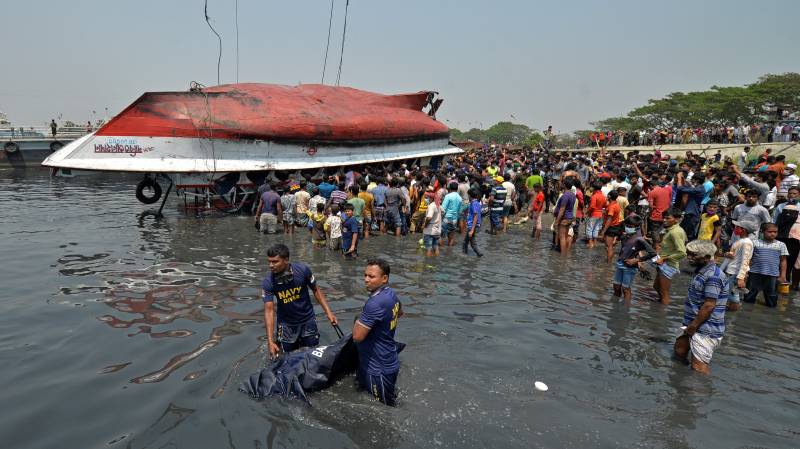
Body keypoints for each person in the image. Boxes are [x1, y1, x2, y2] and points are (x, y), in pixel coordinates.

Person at [261, 244, 338, 357]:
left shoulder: (303, 270)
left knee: (313, 355)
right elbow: (269, 311)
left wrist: (329, 313)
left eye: (275, 262)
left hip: (308, 321)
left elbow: (316, 290)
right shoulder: (268, 282)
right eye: (269, 262)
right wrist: (270, 341)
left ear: (286, 260)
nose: (271, 265)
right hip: (286, 325)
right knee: (286, 358)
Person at [352, 258, 403, 406]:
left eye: (371, 276)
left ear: (384, 278)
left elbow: (357, 336)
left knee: (385, 408)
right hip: (385, 358)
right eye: (365, 275)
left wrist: (358, 321)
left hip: (378, 368)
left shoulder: (375, 303)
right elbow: (400, 311)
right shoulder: (391, 294)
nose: (366, 280)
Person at [674, 240, 728, 375]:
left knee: (698, 369)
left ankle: (699, 392)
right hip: (692, 323)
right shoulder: (700, 271)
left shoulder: (713, 276)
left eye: (693, 255)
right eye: (688, 254)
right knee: (679, 350)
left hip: (704, 328)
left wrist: (693, 326)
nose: (689, 258)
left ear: (707, 257)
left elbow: (709, 306)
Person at [612, 215, 657, 300]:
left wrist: (636, 260)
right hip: (620, 263)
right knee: (616, 287)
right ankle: (615, 307)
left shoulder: (639, 239)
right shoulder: (625, 236)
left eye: (630, 226)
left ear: (637, 227)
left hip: (629, 267)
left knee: (625, 289)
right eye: (627, 226)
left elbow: (653, 253)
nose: (627, 228)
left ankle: (625, 309)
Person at [744, 223, 788, 307]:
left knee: (771, 298)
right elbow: (748, 258)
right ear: (762, 232)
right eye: (770, 231)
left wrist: (783, 275)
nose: (773, 234)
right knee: (749, 295)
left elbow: (783, 261)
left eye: (775, 232)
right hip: (755, 273)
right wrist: (745, 272)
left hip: (772, 274)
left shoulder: (781, 245)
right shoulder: (755, 243)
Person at [720, 217, 758, 311]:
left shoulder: (747, 243)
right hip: (731, 271)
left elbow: (745, 261)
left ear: (743, 230)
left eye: (737, 227)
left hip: (735, 274)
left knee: (733, 297)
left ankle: (732, 317)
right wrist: (728, 254)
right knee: (728, 295)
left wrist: (740, 277)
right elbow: (736, 256)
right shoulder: (740, 241)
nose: (734, 228)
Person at [652, 207, 687, 305]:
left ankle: (661, 315)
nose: (664, 220)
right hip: (663, 262)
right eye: (664, 218)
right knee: (656, 287)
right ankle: (659, 306)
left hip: (669, 264)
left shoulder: (676, 232)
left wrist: (663, 258)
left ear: (677, 219)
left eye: (668, 218)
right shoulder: (669, 230)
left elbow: (682, 252)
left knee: (664, 293)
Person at [599, 190, 623, 263]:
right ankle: (608, 261)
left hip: (610, 227)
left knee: (609, 247)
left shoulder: (611, 207)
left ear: (609, 196)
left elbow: (609, 220)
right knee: (609, 246)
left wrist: (603, 231)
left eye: (607, 195)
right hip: (615, 226)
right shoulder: (616, 204)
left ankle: (608, 264)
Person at [422, 190, 442, 257]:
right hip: (437, 230)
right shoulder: (438, 205)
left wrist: (425, 225)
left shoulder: (432, 206)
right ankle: (435, 262)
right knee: (436, 247)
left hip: (429, 231)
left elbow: (429, 217)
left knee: (428, 248)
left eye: (428, 197)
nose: (427, 199)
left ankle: (428, 264)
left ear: (431, 198)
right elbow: (443, 212)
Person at [463, 188, 483, 256]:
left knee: (472, 243)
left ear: (470, 195)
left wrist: (472, 230)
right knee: (466, 241)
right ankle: (464, 253)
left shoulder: (474, 203)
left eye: (468, 195)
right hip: (473, 226)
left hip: (472, 226)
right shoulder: (476, 202)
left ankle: (479, 254)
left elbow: (475, 216)